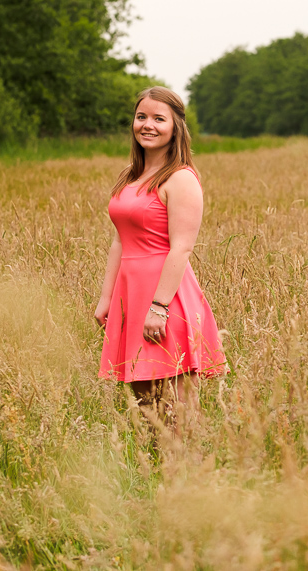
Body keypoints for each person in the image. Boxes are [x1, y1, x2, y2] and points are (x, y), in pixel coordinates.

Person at [95, 86, 226, 417]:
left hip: (166, 297)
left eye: (158, 118)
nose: (147, 125)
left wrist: (159, 307)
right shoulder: (131, 176)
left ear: (175, 127)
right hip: (131, 295)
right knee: (147, 411)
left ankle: (188, 470)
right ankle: (157, 471)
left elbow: (182, 247)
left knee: (177, 413)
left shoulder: (181, 179)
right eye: (141, 117)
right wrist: (106, 299)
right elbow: (120, 241)